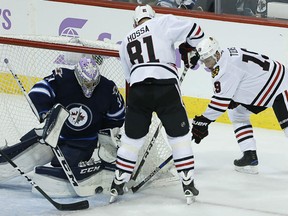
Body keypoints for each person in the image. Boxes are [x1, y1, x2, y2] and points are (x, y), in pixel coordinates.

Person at [109, 4, 204, 204]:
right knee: (179, 138)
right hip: (166, 87)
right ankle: (187, 183)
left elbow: (129, 76)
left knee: (131, 140)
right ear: (153, 16)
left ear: (135, 22)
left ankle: (118, 182)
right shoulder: (163, 22)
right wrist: (191, 47)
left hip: (138, 91)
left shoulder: (126, 40)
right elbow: (196, 29)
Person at [0, 56, 125, 197]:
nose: (89, 86)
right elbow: (39, 91)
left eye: (93, 82)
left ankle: (83, 162)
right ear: (77, 74)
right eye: (85, 81)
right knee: (16, 156)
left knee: (55, 171)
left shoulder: (108, 88)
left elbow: (117, 116)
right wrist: (45, 113)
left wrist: (108, 134)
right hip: (53, 134)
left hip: (82, 142)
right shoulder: (62, 77)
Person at [190, 36, 288, 174]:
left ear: (217, 54)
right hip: (268, 83)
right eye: (204, 61)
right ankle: (249, 155)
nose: (207, 65)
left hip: (281, 85)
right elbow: (244, 76)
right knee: (237, 113)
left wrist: (203, 121)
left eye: (208, 60)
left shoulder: (224, 69)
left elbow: (219, 103)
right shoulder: (227, 53)